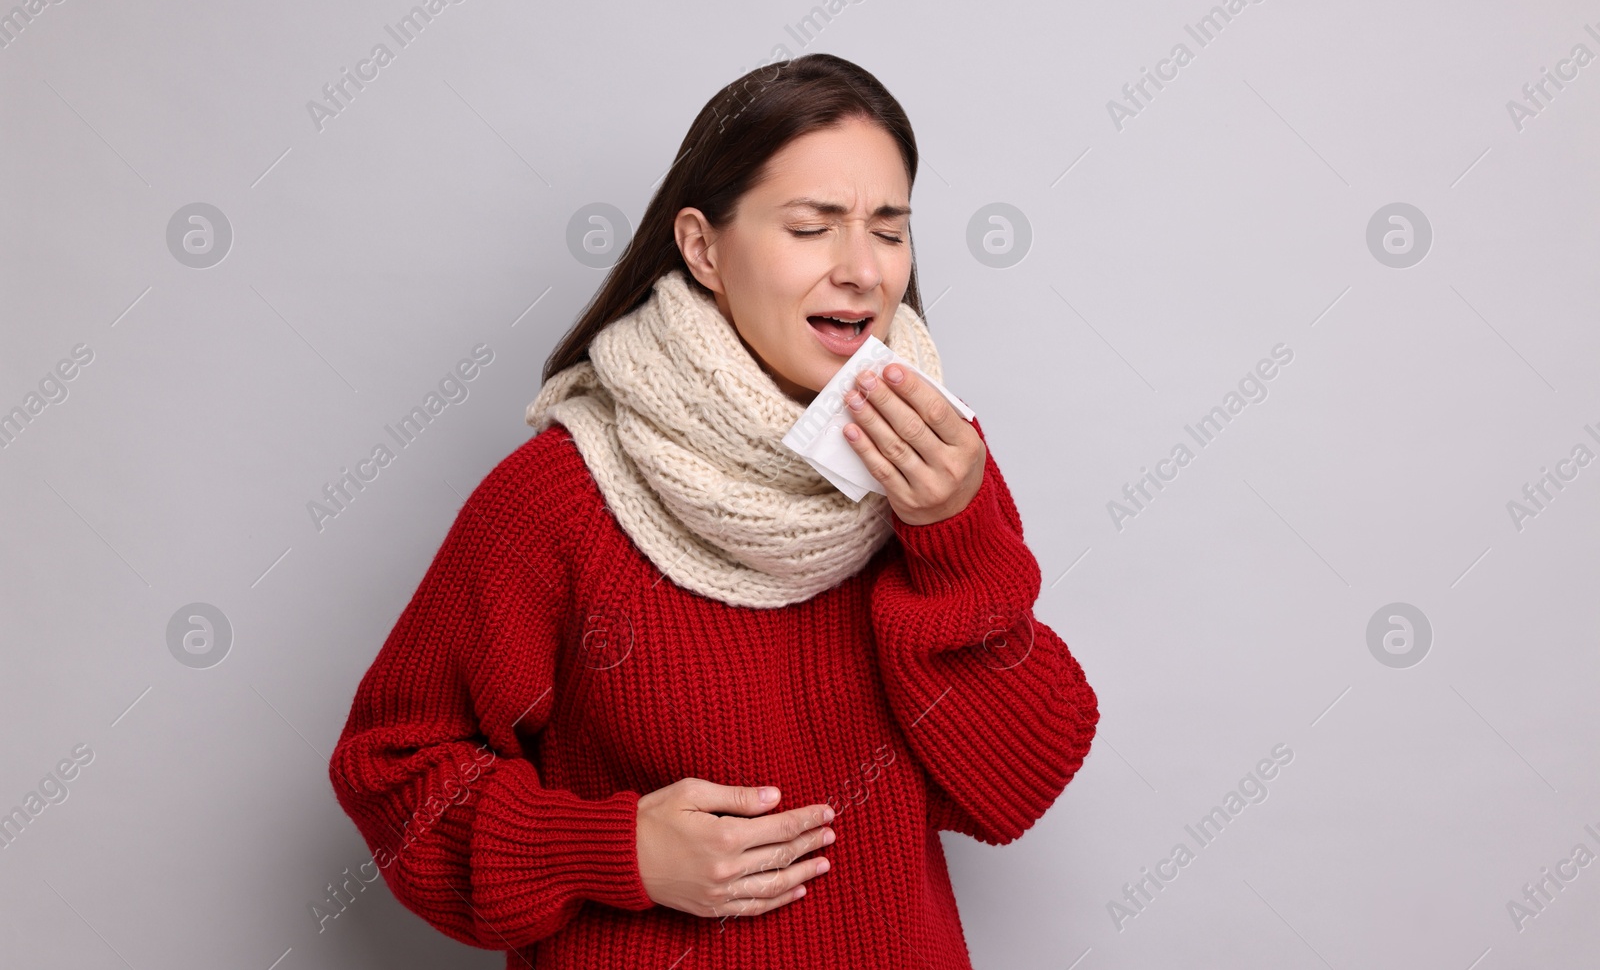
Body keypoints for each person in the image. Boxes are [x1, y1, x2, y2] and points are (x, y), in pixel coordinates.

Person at [328, 52, 1099, 969]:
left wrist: (954, 538)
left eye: (889, 230)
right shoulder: (559, 496)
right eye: (812, 227)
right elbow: (395, 773)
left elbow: (1019, 783)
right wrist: (615, 851)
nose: (862, 270)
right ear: (702, 247)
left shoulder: (936, 467)